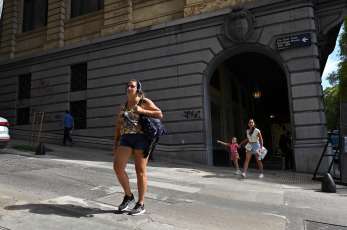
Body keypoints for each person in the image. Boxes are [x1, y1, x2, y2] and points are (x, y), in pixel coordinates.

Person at [113, 79, 163, 215]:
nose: (129, 88)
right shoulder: (121, 106)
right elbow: (118, 126)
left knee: (140, 170)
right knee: (118, 167)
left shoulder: (144, 102)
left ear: (138, 89)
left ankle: (140, 203)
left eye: (132, 86)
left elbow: (159, 113)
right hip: (125, 139)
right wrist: (115, 145)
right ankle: (128, 196)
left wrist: (142, 110)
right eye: (127, 86)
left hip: (141, 139)